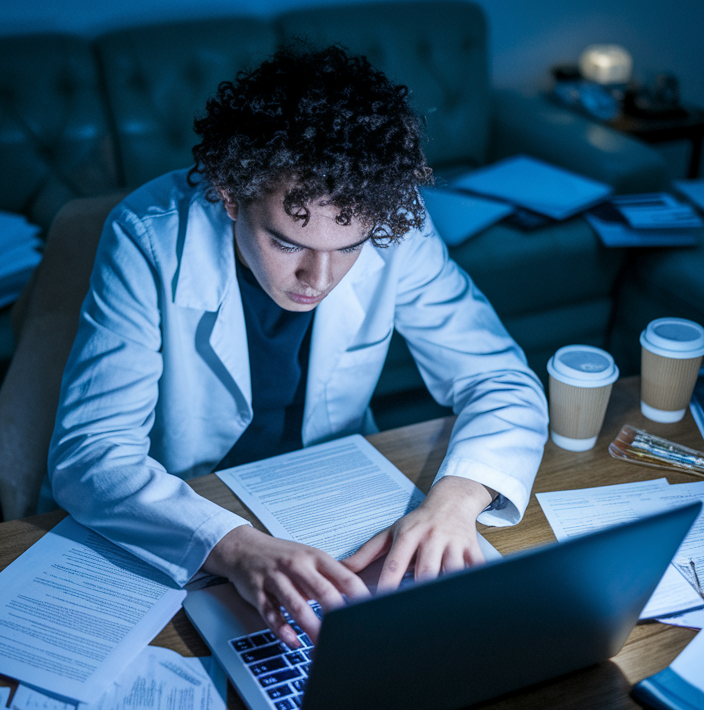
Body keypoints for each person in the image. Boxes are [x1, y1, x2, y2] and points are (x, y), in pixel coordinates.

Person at [46, 45, 548, 649]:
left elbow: (500, 379)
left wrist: (458, 500)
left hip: (332, 499)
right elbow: (90, 454)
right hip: (189, 516)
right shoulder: (146, 237)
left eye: (349, 247)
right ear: (231, 196)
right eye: (288, 244)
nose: (321, 278)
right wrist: (233, 547)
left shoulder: (395, 222)